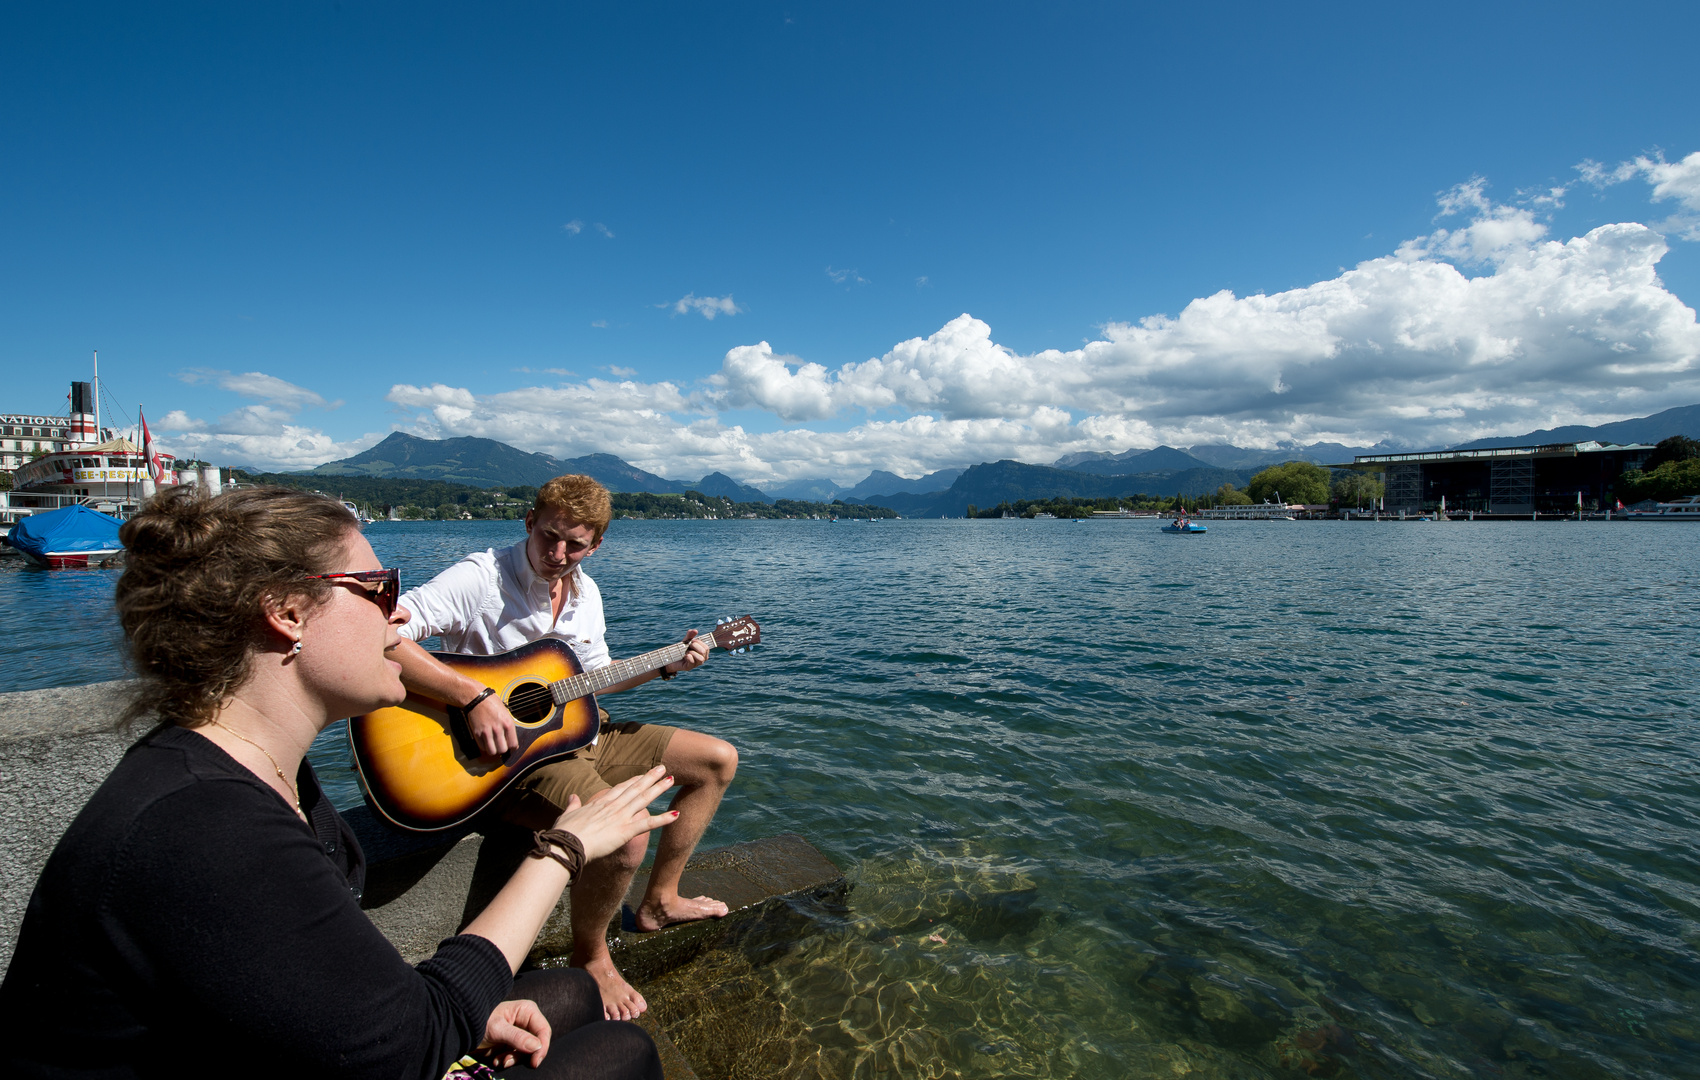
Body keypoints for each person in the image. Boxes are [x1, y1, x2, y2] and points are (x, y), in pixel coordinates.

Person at [0, 486, 672, 1080]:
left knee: (572, 994)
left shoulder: (256, 770)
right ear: (287, 614)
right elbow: (409, 1049)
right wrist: (562, 850)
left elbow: (294, 979)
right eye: (378, 590)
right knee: (625, 1052)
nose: (396, 618)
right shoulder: (204, 826)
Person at [393, 475, 738, 1022]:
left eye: (574, 544)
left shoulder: (586, 593)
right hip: (513, 762)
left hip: (582, 732)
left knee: (717, 759)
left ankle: (659, 902)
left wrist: (668, 663)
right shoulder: (481, 577)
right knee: (625, 838)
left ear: (595, 544)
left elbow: (594, 678)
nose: (557, 554)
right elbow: (382, 632)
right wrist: (473, 695)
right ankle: (591, 955)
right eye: (548, 536)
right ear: (528, 522)